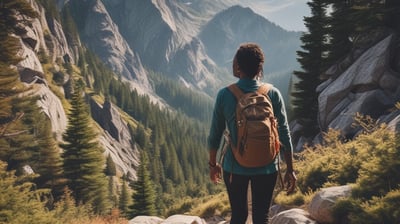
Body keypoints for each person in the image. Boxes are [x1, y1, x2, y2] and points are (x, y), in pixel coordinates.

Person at [207, 43, 297, 224]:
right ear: (260, 67)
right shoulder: (273, 94)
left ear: (237, 66)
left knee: (239, 216)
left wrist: (213, 164)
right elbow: (284, 133)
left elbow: (215, 134)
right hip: (268, 166)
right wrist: (291, 169)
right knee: (261, 217)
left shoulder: (225, 95)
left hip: (234, 167)